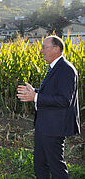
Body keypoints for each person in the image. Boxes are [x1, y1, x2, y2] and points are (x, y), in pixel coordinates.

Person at [17, 35, 80, 179]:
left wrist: (36, 97)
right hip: (44, 126)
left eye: (44, 47)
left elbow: (65, 100)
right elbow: (52, 93)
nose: (41, 51)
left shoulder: (65, 69)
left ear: (56, 49)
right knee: (40, 164)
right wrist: (35, 92)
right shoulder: (54, 68)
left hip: (54, 128)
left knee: (56, 168)